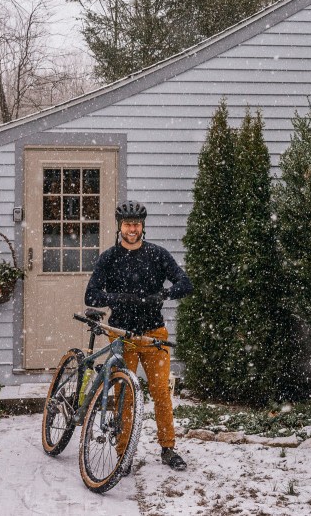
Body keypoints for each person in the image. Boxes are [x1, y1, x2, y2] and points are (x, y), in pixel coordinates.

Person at [84, 200, 193, 471]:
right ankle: (124, 452)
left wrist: (164, 294)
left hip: (154, 333)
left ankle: (168, 448)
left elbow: (185, 283)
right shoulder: (109, 258)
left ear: (142, 226)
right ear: (119, 226)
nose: (132, 229)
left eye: (136, 224)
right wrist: (117, 297)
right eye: (127, 224)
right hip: (122, 335)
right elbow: (91, 295)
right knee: (125, 394)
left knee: (161, 392)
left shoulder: (157, 254)